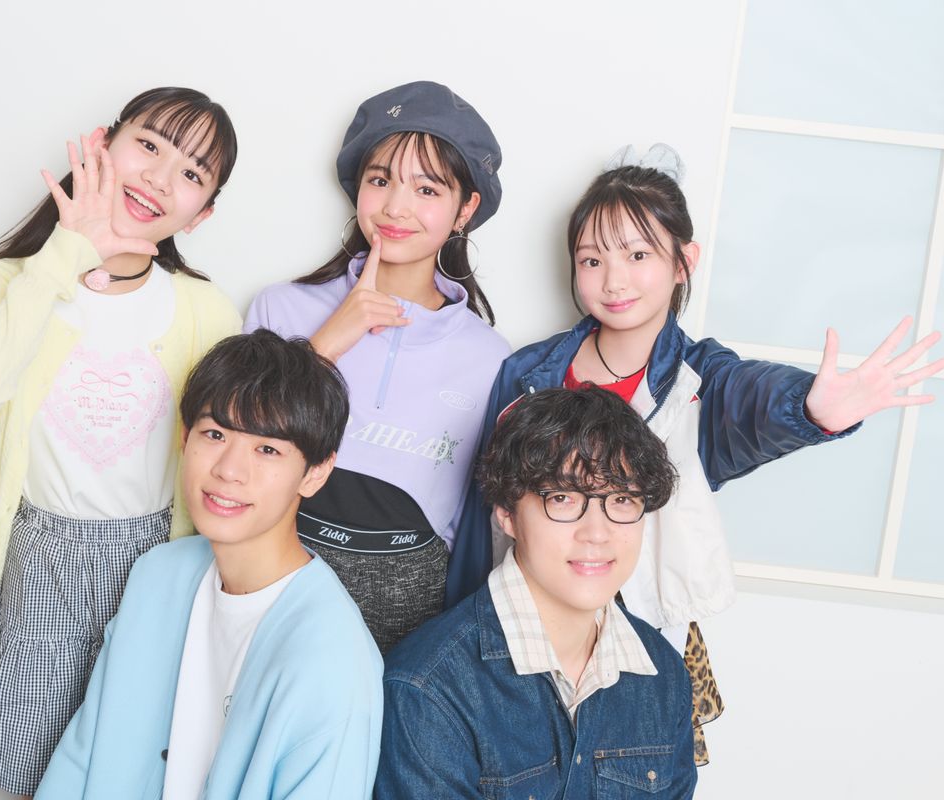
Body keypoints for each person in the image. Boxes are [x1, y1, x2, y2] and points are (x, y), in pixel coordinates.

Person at [448, 143, 944, 764]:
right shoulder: (530, 374)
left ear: (684, 261)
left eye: (638, 255)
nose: (614, 280)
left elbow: (753, 400)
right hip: (522, 626)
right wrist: (458, 624)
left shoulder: (701, 380)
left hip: (644, 632)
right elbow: (483, 507)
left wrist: (810, 408)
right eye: (592, 259)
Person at [0, 87, 242, 795]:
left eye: (191, 173)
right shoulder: (0, 283)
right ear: (104, 144)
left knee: (138, 766)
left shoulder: (204, 309)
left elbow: (237, 445)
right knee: (32, 766)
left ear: (203, 212)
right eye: (149, 145)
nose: (160, 178)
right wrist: (66, 253)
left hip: (160, 562)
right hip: (40, 558)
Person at [35, 330, 384, 800]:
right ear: (185, 437)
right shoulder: (158, 575)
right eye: (215, 434)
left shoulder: (335, 658)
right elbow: (84, 754)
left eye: (267, 449)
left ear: (316, 472)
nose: (228, 470)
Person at [244, 81, 511, 653]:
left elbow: (475, 523)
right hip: (272, 587)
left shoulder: (491, 358)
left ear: (466, 209)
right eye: (380, 180)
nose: (395, 207)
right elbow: (236, 452)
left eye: (427, 188)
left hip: (409, 619)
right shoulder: (280, 309)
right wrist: (323, 347)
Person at [376, 387, 695, 799]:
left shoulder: (663, 671)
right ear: (506, 514)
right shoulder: (428, 687)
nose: (596, 533)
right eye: (562, 498)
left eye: (620, 499)